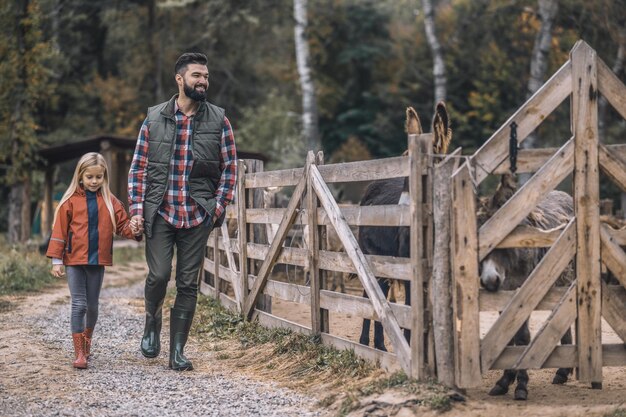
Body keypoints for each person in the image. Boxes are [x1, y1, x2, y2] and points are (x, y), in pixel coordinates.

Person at [128, 52, 237, 371]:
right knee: (159, 275)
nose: (203, 81)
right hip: (160, 213)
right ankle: (152, 323)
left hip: (197, 216)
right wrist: (137, 210)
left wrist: (217, 207)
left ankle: (177, 350)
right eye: (196, 76)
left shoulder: (219, 119)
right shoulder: (154, 118)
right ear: (180, 79)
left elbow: (230, 167)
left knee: (188, 284)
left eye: (206, 76)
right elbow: (138, 168)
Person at [47, 152, 143, 369]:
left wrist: (135, 229)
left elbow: (123, 227)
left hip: (97, 260)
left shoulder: (111, 202)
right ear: (80, 176)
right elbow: (60, 231)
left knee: (92, 306)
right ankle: (79, 352)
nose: (94, 181)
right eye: (89, 177)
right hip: (73, 260)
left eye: (98, 177)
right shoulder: (69, 202)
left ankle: (88, 342)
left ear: (104, 177)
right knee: (78, 304)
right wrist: (56, 260)